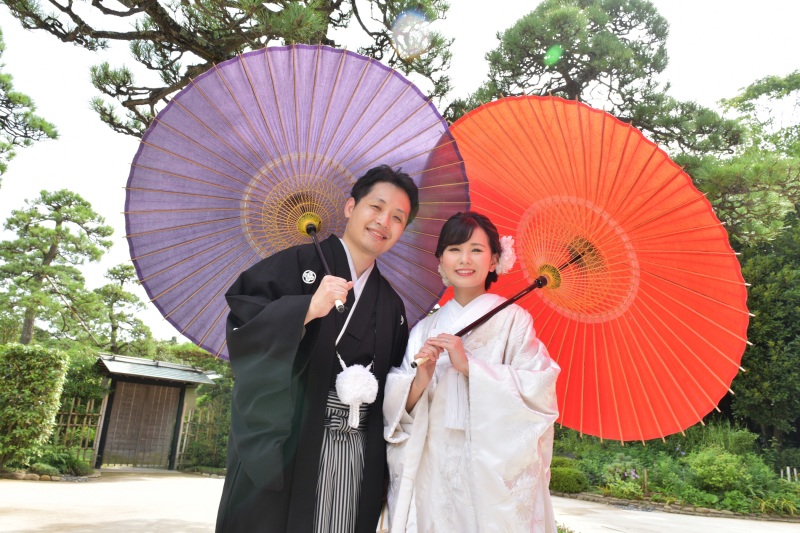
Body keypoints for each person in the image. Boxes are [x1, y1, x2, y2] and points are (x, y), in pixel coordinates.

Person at [216, 165, 418, 533]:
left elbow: (392, 385)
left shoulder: (390, 303)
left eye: (397, 218)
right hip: (291, 440)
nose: (383, 222)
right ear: (349, 207)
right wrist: (305, 309)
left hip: (356, 451)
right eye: (376, 207)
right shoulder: (296, 265)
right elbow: (244, 326)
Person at [383, 211, 561, 532]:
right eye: (454, 249)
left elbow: (539, 392)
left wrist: (470, 368)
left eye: (477, 250)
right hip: (432, 463)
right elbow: (397, 409)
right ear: (440, 260)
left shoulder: (513, 321)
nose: (465, 259)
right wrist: (420, 381)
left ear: (494, 260)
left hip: (487, 465)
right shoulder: (426, 328)